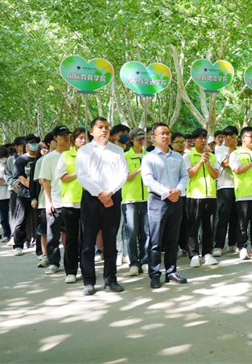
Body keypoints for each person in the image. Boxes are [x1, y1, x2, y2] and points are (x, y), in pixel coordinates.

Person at [76, 117, 128, 295]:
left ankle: (110, 279)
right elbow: (82, 176)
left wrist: (109, 193)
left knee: (111, 240)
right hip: (91, 199)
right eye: (100, 127)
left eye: (106, 127)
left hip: (112, 197)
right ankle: (89, 281)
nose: (104, 130)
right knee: (88, 241)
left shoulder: (117, 151)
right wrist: (100, 193)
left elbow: (122, 175)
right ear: (91, 131)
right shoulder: (84, 151)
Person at [141, 122, 189, 288]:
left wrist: (178, 190)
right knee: (155, 240)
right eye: (161, 133)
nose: (165, 136)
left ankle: (171, 272)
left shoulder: (178, 157)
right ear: (153, 137)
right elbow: (148, 180)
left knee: (172, 239)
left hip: (176, 200)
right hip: (158, 201)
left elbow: (184, 176)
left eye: (167, 133)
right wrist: (167, 192)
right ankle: (155, 274)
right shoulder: (149, 158)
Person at [55, 127, 87, 284]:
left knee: (87, 238)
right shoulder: (66, 156)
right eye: (80, 137)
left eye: (85, 138)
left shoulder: (91, 155)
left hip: (88, 201)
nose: (83, 140)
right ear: (73, 140)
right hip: (70, 202)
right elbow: (63, 177)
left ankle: (86, 269)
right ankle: (71, 271)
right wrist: (79, 172)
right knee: (72, 238)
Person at [184, 128, 220, 267]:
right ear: (193, 140)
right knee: (193, 226)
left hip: (210, 195)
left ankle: (207, 253)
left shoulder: (212, 156)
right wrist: (200, 162)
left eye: (205, 138)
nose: (203, 140)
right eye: (200, 138)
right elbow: (190, 174)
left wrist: (207, 163)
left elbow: (216, 175)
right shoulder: (188, 156)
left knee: (209, 226)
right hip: (194, 195)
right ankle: (193, 254)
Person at [39, 125, 72, 275]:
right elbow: (46, 181)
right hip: (56, 200)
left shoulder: (75, 155)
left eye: (68, 134)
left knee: (72, 235)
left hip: (72, 201)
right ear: (55, 138)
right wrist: (48, 201)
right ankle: (53, 262)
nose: (66, 137)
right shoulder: (49, 158)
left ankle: (71, 262)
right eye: (62, 135)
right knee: (53, 234)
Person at [229, 126, 252, 259]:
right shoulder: (236, 153)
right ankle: (242, 247)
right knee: (242, 223)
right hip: (244, 193)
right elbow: (237, 170)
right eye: (251, 136)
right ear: (243, 138)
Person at [122, 128, 149, 277]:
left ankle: (145, 261)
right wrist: (140, 169)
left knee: (146, 232)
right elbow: (126, 177)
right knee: (131, 233)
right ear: (131, 140)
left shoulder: (149, 156)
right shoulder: (125, 156)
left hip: (147, 199)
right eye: (138, 138)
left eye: (143, 138)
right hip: (130, 199)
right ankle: (133, 262)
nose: (141, 141)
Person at [213, 126, 239, 257]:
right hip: (224, 186)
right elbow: (226, 163)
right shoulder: (219, 149)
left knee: (235, 216)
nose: (232, 139)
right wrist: (231, 149)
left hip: (238, 187)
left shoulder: (239, 150)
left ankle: (232, 243)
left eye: (235, 136)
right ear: (224, 137)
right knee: (223, 217)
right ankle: (218, 245)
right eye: (230, 136)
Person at [12, 134, 40, 255]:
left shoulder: (41, 159)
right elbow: (21, 178)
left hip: (40, 194)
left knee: (40, 220)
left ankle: (40, 245)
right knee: (21, 220)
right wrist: (32, 188)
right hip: (24, 195)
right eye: (32, 143)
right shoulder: (20, 160)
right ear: (26, 145)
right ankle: (18, 245)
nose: (34, 145)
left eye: (36, 142)